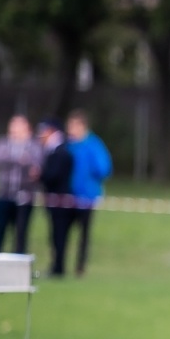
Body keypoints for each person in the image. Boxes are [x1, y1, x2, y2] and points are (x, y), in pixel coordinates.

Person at [63, 110, 113, 276]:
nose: (70, 129)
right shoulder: (68, 145)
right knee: (62, 231)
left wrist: (90, 178)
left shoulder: (93, 144)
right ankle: (60, 264)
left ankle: (80, 267)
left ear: (82, 126)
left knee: (84, 233)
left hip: (87, 197)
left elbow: (104, 168)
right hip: (66, 196)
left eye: (74, 125)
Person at [0, 115, 41, 254]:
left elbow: (37, 165)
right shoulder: (3, 143)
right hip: (4, 194)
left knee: (21, 232)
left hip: (25, 196)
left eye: (18, 127)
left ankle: (19, 258)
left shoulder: (34, 145)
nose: (15, 130)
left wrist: (23, 162)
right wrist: (20, 160)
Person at [38, 119, 77, 277]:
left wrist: (39, 175)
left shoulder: (60, 151)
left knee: (59, 235)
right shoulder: (54, 150)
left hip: (61, 201)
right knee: (55, 235)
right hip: (54, 200)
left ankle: (58, 267)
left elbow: (54, 175)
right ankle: (56, 266)